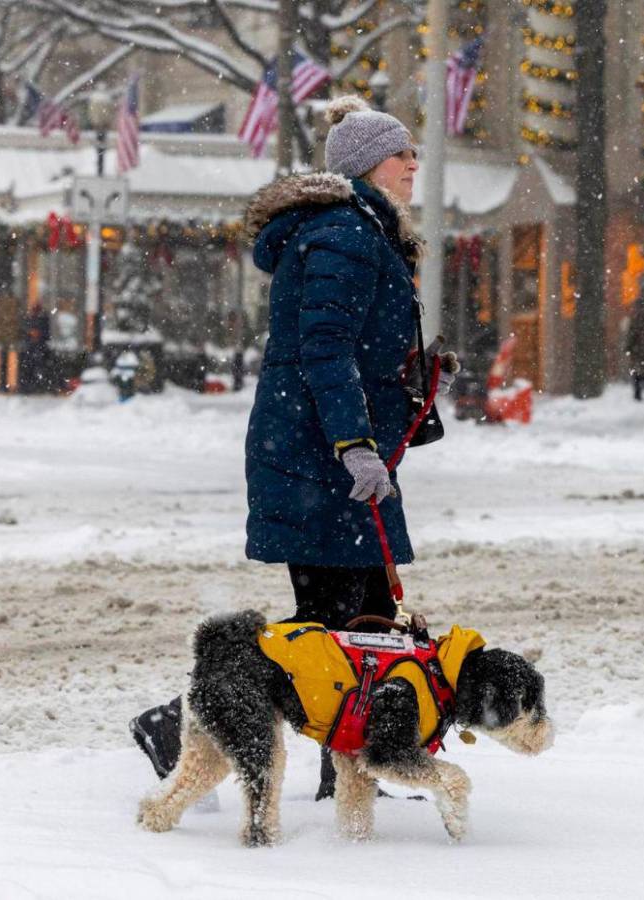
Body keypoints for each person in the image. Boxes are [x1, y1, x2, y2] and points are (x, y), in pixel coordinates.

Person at [130, 95, 456, 799]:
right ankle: (182, 724)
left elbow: (353, 347)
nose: (413, 164)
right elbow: (325, 351)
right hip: (320, 460)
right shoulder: (345, 235)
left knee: (355, 627)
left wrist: (411, 379)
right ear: (370, 164)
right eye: (403, 153)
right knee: (329, 634)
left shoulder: (361, 230)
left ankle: (345, 770)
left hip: (323, 456)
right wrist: (353, 443)